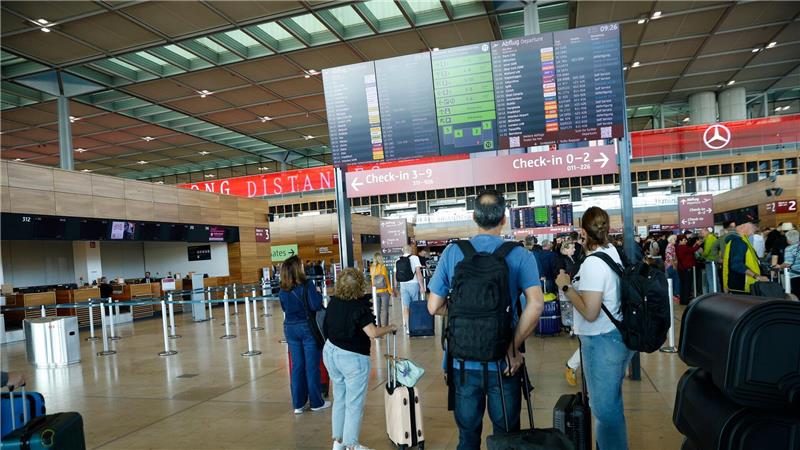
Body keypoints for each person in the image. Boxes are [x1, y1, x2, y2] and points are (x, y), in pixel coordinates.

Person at [427, 190, 545, 450]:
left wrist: (460, 310)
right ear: (504, 219)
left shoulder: (453, 252)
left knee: (467, 437)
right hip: (504, 362)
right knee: (506, 437)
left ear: (474, 217)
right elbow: (536, 305)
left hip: (461, 361)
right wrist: (512, 346)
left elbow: (434, 306)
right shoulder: (520, 255)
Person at [555, 206, 635, 450]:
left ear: (583, 232)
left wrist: (566, 287)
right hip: (617, 337)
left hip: (601, 341)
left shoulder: (592, 264)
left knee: (604, 412)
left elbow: (590, 312)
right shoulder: (612, 252)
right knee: (612, 405)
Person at [323, 268, 396, 450]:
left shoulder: (334, 302)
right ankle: (352, 444)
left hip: (331, 353)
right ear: (359, 285)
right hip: (352, 359)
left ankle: (338, 442)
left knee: (340, 398)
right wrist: (390, 327)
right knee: (354, 403)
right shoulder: (358, 306)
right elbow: (372, 332)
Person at [278, 256, 330, 414]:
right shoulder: (307, 285)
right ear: (297, 268)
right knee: (311, 366)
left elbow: (284, 308)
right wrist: (319, 294)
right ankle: (316, 402)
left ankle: (298, 404)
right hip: (307, 327)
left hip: (290, 328)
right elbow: (315, 305)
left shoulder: (282, 288)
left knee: (297, 367)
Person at [556, 241, 581, 386]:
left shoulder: (574, 260)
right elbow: (563, 281)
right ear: (565, 249)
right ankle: (572, 365)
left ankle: (573, 365)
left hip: (575, 294)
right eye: (572, 247)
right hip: (570, 295)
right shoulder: (562, 262)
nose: (574, 249)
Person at [723, 222, 768, 294]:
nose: (755, 229)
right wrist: (757, 276)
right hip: (741, 285)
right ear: (743, 226)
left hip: (744, 284)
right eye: (753, 226)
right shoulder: (738, 242)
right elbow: (736, 264)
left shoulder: (742, 240)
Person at [394, 245, 424, 335]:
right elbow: (418, 273)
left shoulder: (397, 260)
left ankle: (408, 328)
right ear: (410, 250)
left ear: (403, 251)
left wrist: (395, 288)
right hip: (414, 284)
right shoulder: (415, 258)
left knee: (406, 307)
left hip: (403, 285)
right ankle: (416, 326)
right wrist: (422, 286)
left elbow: (395, 276)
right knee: (415, 306)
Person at [676, 235, 701, 305]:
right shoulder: (683, 247)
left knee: (683, 285)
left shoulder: (678, 247)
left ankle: (682, 300)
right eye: (684, 240)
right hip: (686, 268)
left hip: (681, 268)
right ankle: (685, 301)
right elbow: (692, 250)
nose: (686, 241)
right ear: (680, 241)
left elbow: (689, 250)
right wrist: (698, 245)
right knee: (687, 285)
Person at [369, 253, 391, 327]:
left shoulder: (372, 267)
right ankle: (386, 326)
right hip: (384, 291)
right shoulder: (383, 267)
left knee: (377, 310)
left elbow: (372, 281)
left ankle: (378, 326)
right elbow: (386, 280)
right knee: (385, 310)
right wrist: (390, 290)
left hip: (375, 291)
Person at [778, 229, 800, 298]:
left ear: (789, 239)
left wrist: (779, 266)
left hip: (795, 276)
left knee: (797, 295)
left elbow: (787, 264)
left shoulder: (789, 248)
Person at [699, 228, 719, 293]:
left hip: (710, 261)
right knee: (716, 280)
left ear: (707, 231)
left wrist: (701, 255)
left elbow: (706, 252)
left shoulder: (709, 239)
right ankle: (719, 295)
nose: (702, 235)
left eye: (703, 233)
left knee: (711, 280)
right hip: (714, 260)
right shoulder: (713, 238)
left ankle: (712, 297)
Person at [665, 235, 680, 302]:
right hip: (670, 265)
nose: (676, 241)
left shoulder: (672, 246)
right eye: (675, 239)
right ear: (671, 240)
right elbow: (670, 257)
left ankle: (674, 294)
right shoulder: (670, 247)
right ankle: (675, 294)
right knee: (675, 280)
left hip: (670, 265)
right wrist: (674, 265)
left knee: (674, 280)